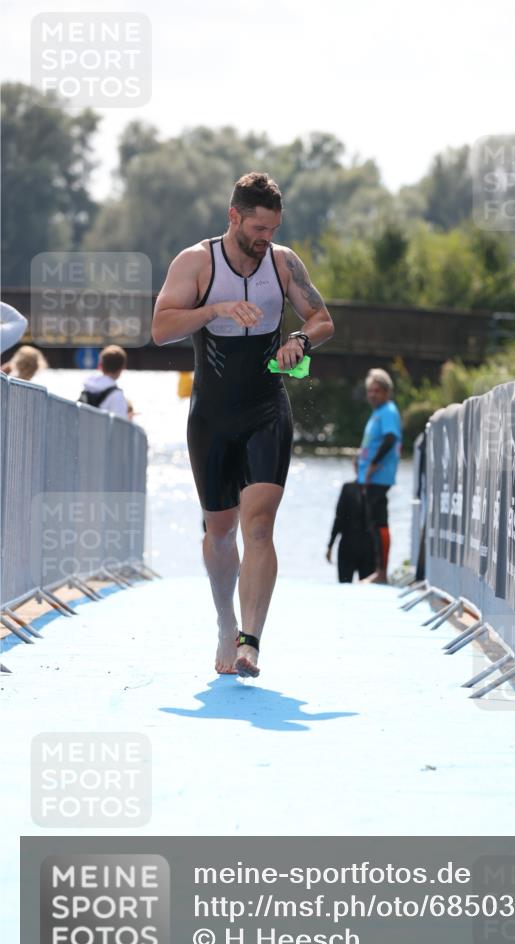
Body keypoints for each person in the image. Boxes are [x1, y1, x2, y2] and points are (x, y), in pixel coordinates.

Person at [152, 172, 334, 678]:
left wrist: (300, 340)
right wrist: (215, 308)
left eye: (272, 228)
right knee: (220, 531)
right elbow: (160, 328)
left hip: (266, 408)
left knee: (259, 525)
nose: (265, 238)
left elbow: (323, 319)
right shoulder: (196, 262)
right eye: (257, 227)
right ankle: (224, 621)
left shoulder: (283, 263)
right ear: (233, 216)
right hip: (211, 417)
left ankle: (250, 642)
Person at [357, 368, 402, 584]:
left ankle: (382, 573)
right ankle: (378, 570)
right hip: (369, 477)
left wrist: (373, 465)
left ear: (387, 392)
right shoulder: (378, 413)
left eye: (377, 390)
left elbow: (391, 438)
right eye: (370, 391)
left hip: (379, 477)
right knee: (373, 523)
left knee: (379, 522)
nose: (373, 394)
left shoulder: (388, 411)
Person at [326, 462, 376, 583]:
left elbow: (339, 519)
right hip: (356, 546)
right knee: (347, 586)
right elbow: (339, 518)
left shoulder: (351, 488)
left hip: (362, 547)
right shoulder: (376, 490)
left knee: (361, 588)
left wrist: (330, 546)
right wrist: (330, 545)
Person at [79, 345, 130, 417]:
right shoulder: (117, 395)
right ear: (122, 368)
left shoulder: (87, 388)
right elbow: (120, 425)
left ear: (100, 365)